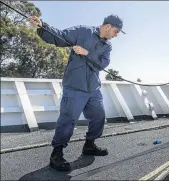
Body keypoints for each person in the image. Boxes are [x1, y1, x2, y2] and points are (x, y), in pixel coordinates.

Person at [28, 14, 125, 171]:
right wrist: (42, 26)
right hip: (74, 87)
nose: (117, 35)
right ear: (108, 26)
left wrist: (87, 53)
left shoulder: (107, 46)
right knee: (68, 120)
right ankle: (56, 154)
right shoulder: (82, 31)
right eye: (116, 31)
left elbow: (102, 64)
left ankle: (89, 145)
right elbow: (59, 36)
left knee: (99, 116)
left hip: (93, 89)